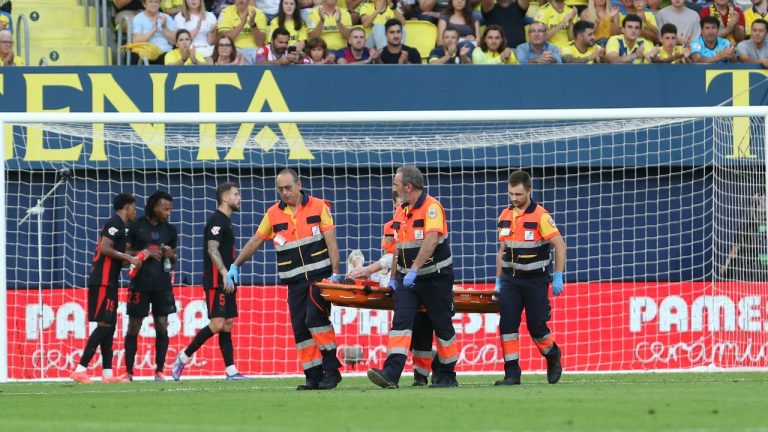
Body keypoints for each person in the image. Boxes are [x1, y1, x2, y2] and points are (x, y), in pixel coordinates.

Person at [227, 169, 344, 390]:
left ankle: (331, 370)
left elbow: (332, 243)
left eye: (288, 187)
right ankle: (313, 376)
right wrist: (236, 265)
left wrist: (335, 274)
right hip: (294, 282)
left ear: (299, 184)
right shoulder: (273, 214)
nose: (284, 193)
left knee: (314, 321)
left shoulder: (319, 206)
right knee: (300, 329)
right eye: (280, 189)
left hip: (319, 279)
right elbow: (255, 241)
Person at [367, 165, 458, 389]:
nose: (393, 188)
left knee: (442, 326)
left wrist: (415, 268)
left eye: (396, 184)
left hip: (436, 278)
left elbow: (431, 240)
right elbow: (398, 246)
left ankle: (446, 373)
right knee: (400, 324)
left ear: (408, 187)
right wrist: (395, 277)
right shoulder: (402, 210)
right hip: (409, 280)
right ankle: (391, 375)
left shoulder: (432, 207)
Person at [172, 183, 251, 381]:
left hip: (227, 279)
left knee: (228, 324)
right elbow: (212, 250)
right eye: (236, 194)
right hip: (217, 280)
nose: (239, 197)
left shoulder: (226, 221)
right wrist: (224, 272)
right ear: (225, 198)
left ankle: (231, 371)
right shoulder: (216, 221)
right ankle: (183, 357)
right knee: (217, 324)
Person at [494, 170, 566, 386]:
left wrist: (558, 276)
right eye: (510, 194)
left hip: (535, 281)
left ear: (529, 191)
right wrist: (498, 279)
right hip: (510, 281)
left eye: (518, 194)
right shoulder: (505, 216)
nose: (514, 199)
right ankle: (512, 373)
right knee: (507, 325)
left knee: (537, 327)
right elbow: (502, 250)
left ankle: (552, 354)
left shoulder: (541, 216)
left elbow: (560, 246)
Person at [71, 194, 140, 383]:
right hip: (102, 280)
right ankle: (80, 369)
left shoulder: (122, 227)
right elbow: (105, 248)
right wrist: (129, 258)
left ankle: (107, 374)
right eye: (134, 207)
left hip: (110, 280)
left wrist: (135, 259)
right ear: (126, 207)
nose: (135, 211)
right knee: (105, 324)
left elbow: (118, 257)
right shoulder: (114, 222)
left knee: (110, 325)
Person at [122, 191, 179, 382]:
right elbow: (124, 256)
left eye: (170, 209)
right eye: (165, 209)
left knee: (162, 325)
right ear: (154, 207)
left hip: (162, 285)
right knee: (134, 326)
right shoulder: (136, 226)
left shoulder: (170, 230)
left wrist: (170, 254)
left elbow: (175, 261)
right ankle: (128, 372)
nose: (168, 213)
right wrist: (144, 252)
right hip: (140, 284)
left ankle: (159, 371)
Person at [720, 191, 768, 281]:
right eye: (758, 201)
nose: (760, 203)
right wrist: (726, 265)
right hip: (752, 272)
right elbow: (734, 250)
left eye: (763, 200)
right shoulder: (746, 228)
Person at [218, 0, 269, 64]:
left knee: (261, 59)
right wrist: (242, 23)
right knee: (240, 60)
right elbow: (226, 39)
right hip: (234, 49)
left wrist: (252, 24)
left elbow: (260, 43)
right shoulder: (225, 12)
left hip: (255, 49)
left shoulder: (259, 13)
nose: (241, 0)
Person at [131, 0, 179, 64]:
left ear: (159, 4)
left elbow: (175, 41)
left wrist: (164, 27)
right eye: (150, 1)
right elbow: (136, 41)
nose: (154, 4)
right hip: (145, 52)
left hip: (164, 52)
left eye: (156, 2)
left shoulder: (167, 18)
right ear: (144, 4)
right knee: (135, 58)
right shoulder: (138, 18)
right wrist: (153, 30)